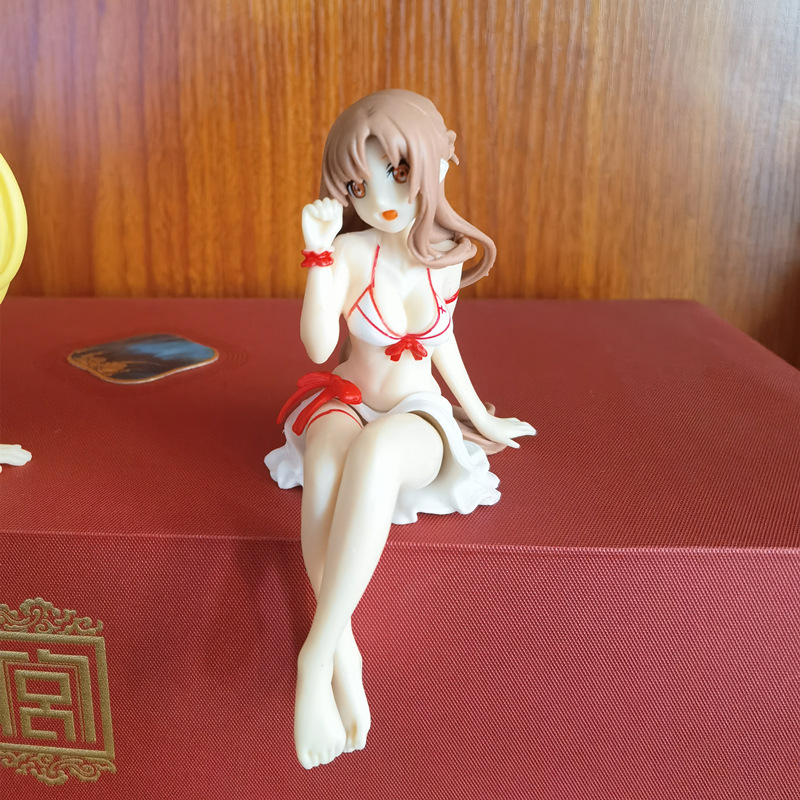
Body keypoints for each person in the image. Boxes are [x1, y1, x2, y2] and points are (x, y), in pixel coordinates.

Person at [265, 90, 535, 769]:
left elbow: (442, 345)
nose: (381, 199)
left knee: (380, 452)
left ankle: (315, 656)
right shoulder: (351, 251)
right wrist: (316, 256)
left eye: (398, 172)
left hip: (414, 413)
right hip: (347, 397)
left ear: (435, 163)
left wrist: (479, 414)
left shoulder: (447, 256)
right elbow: (317, 347)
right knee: (328, 463)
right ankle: (343, 655)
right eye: (360, 185)